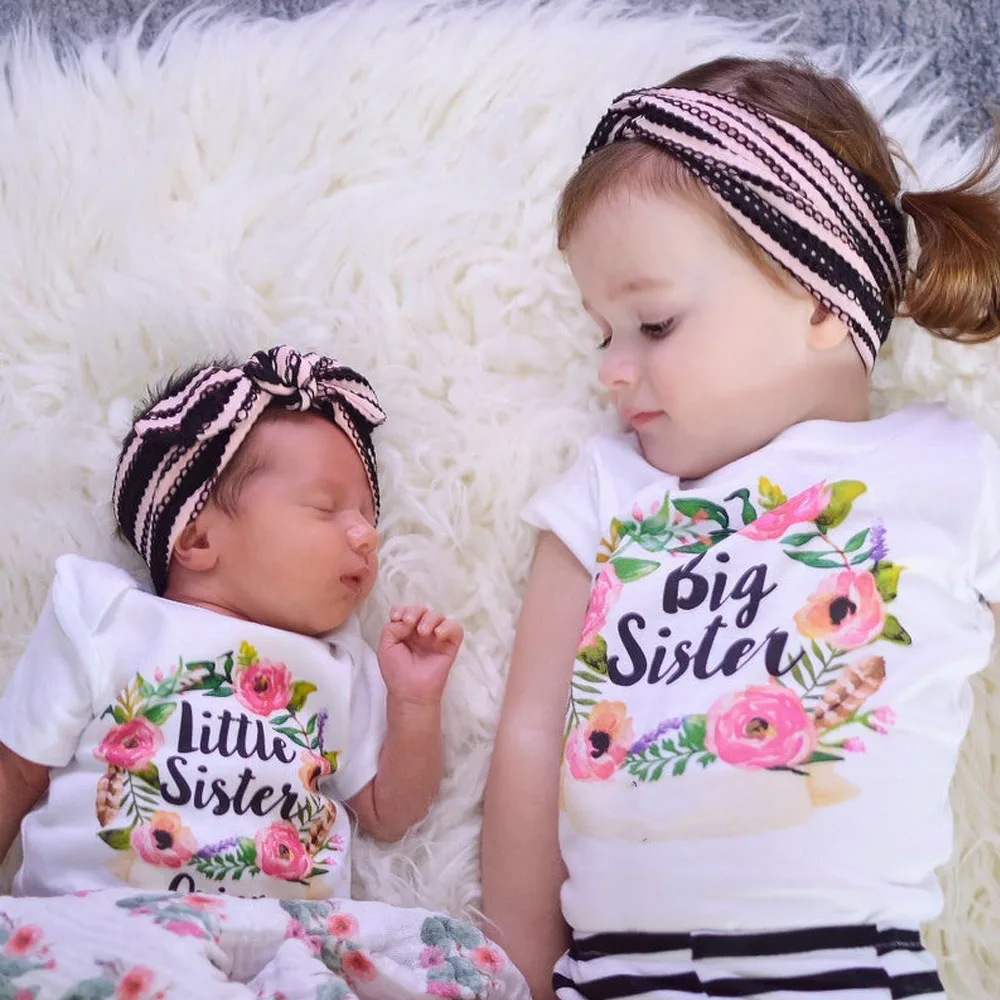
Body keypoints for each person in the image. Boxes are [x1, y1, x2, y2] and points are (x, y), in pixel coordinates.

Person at [483, 56, 1000, 1000]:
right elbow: (529, 734)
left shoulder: (947, 470)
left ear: (818, 298)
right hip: (614, 972)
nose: (612, 369)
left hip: (844, 965)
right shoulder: (606, 491)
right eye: (603, 332)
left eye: (654, 323)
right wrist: (515, 975)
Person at [0, 344, 463, 901]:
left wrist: (414, 704)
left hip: (280, 934)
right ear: (198, 538)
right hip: (101, 918)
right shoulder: (107, 615)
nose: (366, 535)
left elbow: (391, 816)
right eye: (325, 508)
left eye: (368, 515)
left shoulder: (341, 663)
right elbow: (17, 769)